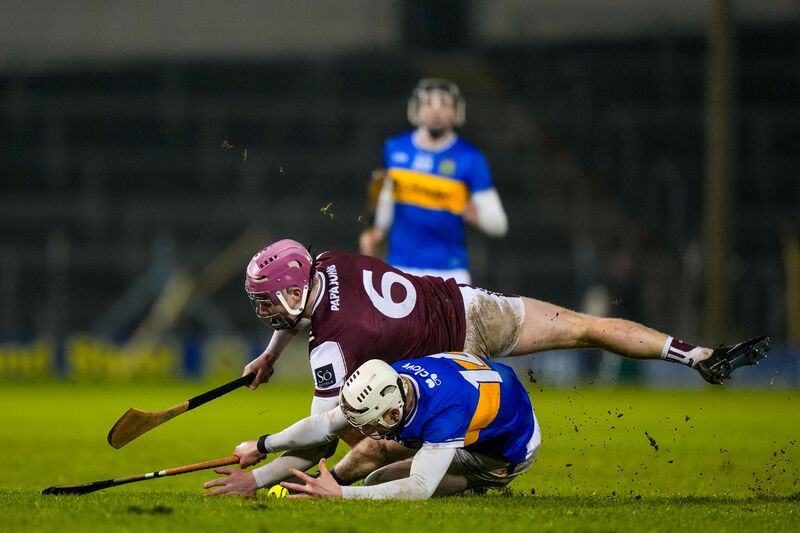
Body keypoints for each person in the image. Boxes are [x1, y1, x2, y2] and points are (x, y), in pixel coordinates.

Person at [230, 238, 769, 493]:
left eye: (268, 300)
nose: (265, 311)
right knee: (585, 327)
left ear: (296, 290)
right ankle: (696, 354)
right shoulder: (326, 260)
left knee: (363, 441)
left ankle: (309, 488)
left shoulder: (331, 344)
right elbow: (303, 309)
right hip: (470, 306)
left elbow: (321, 429)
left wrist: (263, 450)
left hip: (445, 361)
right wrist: (272, 353)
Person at [203, 354, 541, 499]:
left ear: (393, 414)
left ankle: (479, 485)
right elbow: (326, 423)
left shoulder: (445, 414)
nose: (364, 431)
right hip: (483, 399)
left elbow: (420, 488)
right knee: (376, 454)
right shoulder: (393, 378)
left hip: (503, 452)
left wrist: (341, 495)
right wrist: (261, 446)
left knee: (379, 481)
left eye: (372, 423)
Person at [359, 78, 508, 284]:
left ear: (457, 112)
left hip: (450, 271)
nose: (436, 111)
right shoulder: (394, 148)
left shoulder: (471, 158)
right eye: (429, 103)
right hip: (400, 267)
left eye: (445, 104)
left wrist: (480, 217)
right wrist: (378, 232)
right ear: (417, 109)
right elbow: (387, 198)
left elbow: (499, 225)